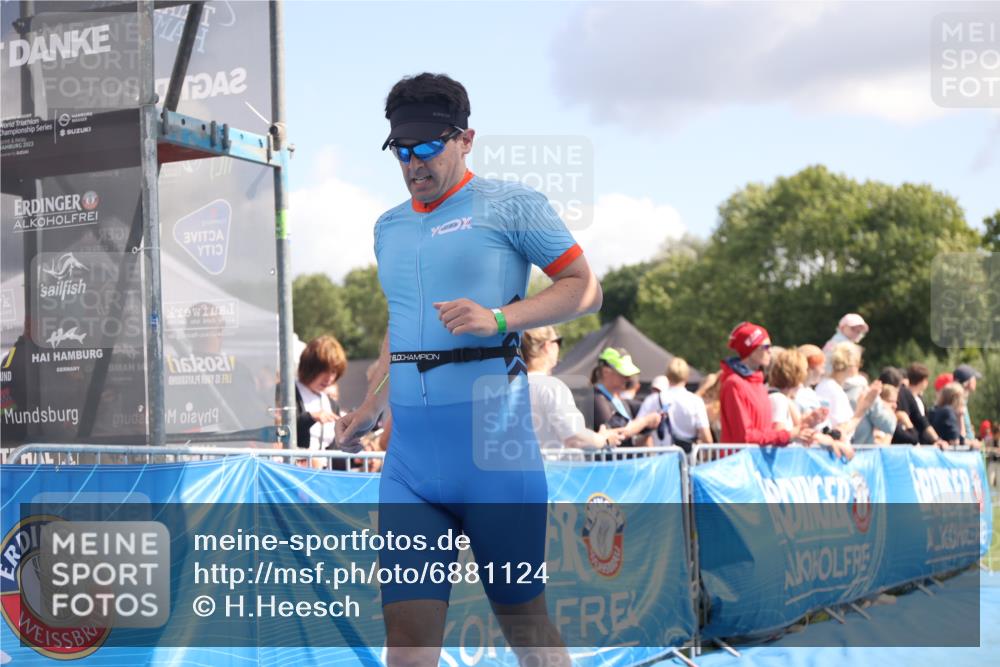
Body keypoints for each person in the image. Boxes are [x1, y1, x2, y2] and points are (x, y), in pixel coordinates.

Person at [335, 73, 601, 667]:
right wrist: (370, 407)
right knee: (406, 638)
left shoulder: (511, 204)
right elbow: (401, 326)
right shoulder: (388, 226)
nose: (413, 162)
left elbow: (586, 289)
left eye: (428, 146)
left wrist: (502, 317)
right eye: (401, 150)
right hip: (410, 465)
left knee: (524, 622)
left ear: (466, 139)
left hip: (494, 453)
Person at [521, 326, 624, 452]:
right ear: (548, 346)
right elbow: (575, 437)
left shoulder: (506, 387)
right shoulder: (551, 387)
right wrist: (604, 439)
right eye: (558, 341)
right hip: (553, 469)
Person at [719, 322, 817, 445]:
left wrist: (803, 426)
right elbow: (745, 436)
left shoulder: (757, 383)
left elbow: (766, 431)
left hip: (755, 460)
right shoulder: (733, 384)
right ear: (751, 349)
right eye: (766, 347)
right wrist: (788, 435)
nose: (770, 351)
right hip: (741, 461)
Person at [591, 347, 662, 448]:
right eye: (622, 374)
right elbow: (616, 433)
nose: (628, 378)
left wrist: (646, 433)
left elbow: (627, 442)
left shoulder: (620, 401)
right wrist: (646, 421)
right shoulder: (596, 399)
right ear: (606, 372)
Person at [637, 357, 712, 452]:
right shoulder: (696, 401)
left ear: (667, 376)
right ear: (687, 376)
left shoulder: (653, 399)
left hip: (661, 458)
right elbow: (707, 438)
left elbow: (638, 431)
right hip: (688, 458)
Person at [294, 336, 348, 470]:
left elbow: (335, 448)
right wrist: (311, 417)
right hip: (294, 472)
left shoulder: (332, 404)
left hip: (323, 475)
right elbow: (281, 429)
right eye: (324, 370)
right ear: (309, 366)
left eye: (334, 371)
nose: (329, 378)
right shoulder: (288, 393)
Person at [814, 341, 881, 444]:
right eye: (859, 363)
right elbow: (839, 432)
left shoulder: (827, 386)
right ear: (852, 365)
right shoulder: (834, 390)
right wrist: (862, 410)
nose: (859, 367)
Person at [892, 363, 946, 446]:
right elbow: (920, 419)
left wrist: (936, 439)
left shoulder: (919, 399)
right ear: (923, 381)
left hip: (918, 442)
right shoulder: (904, 394)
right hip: (907, 442)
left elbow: (922, 421)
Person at [929, 382, 967, 447]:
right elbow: (955, 442)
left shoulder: (934, 410)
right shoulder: (948, 411)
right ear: (957, 398)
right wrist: (961, 416)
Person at [954, 364, 983, 447]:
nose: (976, 382)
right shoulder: (958, 402)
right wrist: (971, 443)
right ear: (968, 382)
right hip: (964, 450)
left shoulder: (961, 400)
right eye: (974, 379)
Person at [696, 372, 723, 443]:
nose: (706, 398)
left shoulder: (717, 406)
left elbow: (691, 403)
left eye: (710, 395)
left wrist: (704, 387)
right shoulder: (709, 406)